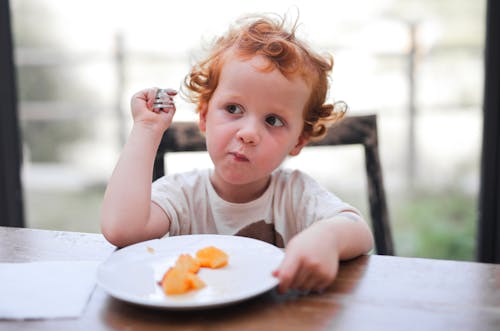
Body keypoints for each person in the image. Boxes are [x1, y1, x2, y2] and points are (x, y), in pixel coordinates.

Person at [100, 13, 374, 294]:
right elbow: (122, 229)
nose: (248, 133)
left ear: (298, 141)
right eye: (233, 109)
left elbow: (358, 230)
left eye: (273, 121)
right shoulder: (183, 194)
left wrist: (327, 238)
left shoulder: (295, 194)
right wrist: (146, 129)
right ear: (204, 116)